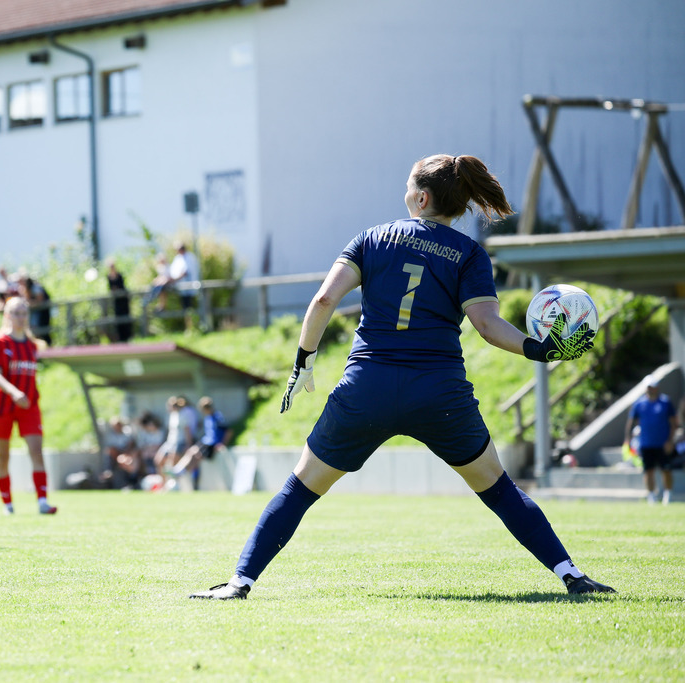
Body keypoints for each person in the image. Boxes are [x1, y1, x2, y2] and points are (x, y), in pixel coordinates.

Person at [190, 154, 613, 600]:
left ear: (422, 197)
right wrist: (538, 348)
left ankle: (240, 582)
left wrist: (304, 362)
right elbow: (488, 326)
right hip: (439, 394)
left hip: (366, 389)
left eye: (408, 186)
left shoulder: (373, 238)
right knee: (500, 489)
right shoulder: (469, 254)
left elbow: (321, 302)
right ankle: (571, 575)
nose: (404, 193)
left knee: (299, 489)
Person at [0, 296, 57, 514]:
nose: (20, 317)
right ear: (7, 315)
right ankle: (7, 503)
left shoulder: (32, 345)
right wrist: (14, 392)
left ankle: (42, 501)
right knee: (3, 455)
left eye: (24, 313)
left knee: (36, 451)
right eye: (15, 313)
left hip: (29, 404)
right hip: (4, 404)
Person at [625, 375, 678, 505]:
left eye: (652, 387)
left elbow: (673, 423)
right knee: (648, 471)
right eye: (648, 387)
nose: (650, 389)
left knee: (666, 469)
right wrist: (628, 439)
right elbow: (631, 422)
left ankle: (667, 495)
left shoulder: (665, 402)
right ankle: (651, 496)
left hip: (662, 443)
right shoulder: (639, 403)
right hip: (645, 443)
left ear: (657, 387)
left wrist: (670, 441)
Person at [168, 396, 234, 490]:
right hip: (205, 441)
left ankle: (179, 471)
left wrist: (222, 443)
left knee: (194, 453)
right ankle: (180, 472)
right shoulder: (208, 418)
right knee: (193, 454)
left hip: (211, 444)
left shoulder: (217, 417)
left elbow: (228, 430)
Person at [99, 416, 143, 490]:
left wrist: (127, 451)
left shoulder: (127, 433)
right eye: (115, 426)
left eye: (119, 425)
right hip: (117, 455)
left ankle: (133, 480)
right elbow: (111, 448)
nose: (117, 427)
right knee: (111, 452)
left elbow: (131, 445)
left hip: (127, 453)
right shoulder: (111, 436)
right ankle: (108, 470)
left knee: (128, 461)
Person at [168, 242, 201, 329]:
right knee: (185, 308)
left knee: (190, 308)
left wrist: (175, 279)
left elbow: (185, 272)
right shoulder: (178, 258)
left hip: (189, 287)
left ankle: (193, 327)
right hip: (182, 288)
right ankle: (189, 327)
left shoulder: (189, 257)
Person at [17, 272, 52, 346]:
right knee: (34, 331)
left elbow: (40, 301)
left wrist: (29, 303)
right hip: (35, 314)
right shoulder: (26, 288)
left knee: (42, 332)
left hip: (42, 313)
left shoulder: (36, 287)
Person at [106, 259, 133, 343]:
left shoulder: (119, 275)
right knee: (118, 319)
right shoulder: (108, 277)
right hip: (116, 301)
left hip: (123, 300)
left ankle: (128, 337)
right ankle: (120, 338)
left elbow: (122, 286)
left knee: (126, 317)